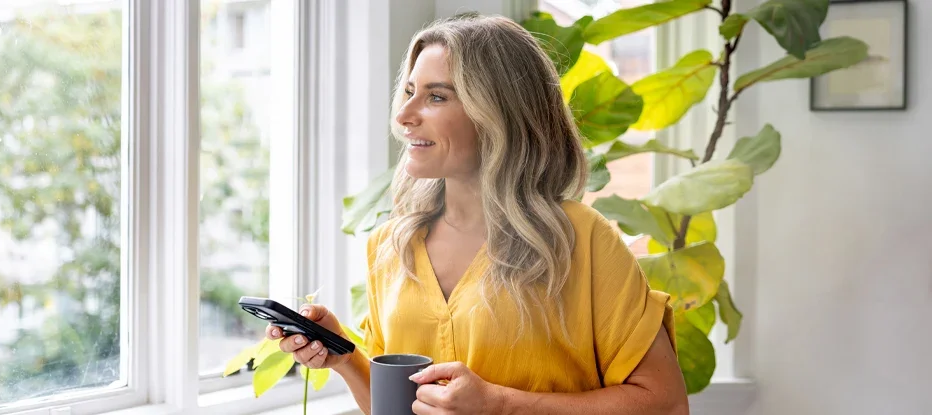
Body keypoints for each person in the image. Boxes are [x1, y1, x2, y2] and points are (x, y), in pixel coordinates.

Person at [268, 12, 688, 415]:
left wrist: (499, 405)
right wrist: (343, 355)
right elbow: (398, 406)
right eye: (410, 92)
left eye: (436, 96)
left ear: (498, 113)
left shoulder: (581, 238)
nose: (404, 116)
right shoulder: (392, 246)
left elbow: (665, 404)